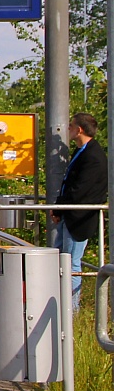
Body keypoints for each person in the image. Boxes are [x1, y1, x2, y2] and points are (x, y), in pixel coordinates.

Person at [52, 112, 108, 311]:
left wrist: (62, 206)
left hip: (80, 218)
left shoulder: (93, 156)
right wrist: (59, 207)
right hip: (70, 215)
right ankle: (59, 305)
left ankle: (71, 311)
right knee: (60, 258)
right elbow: (70, 184)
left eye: (71, 126)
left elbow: (81, 189)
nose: (68, 129)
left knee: (72, 265)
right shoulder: (82, 151)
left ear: (80, 129)